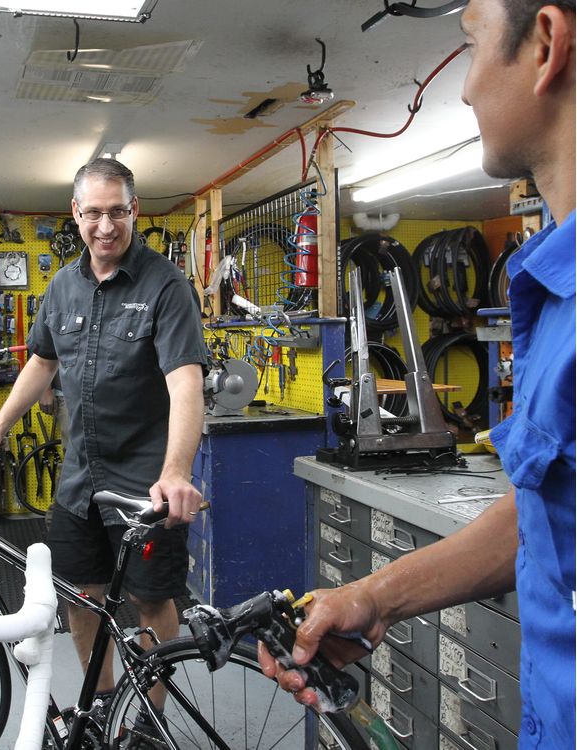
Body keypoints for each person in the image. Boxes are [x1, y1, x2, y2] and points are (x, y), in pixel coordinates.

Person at [257, 2, 575, 747]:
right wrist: (376, 596)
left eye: (470, 47)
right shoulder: (551, 284)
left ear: (548, 45)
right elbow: (548, 516)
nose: (464, 89)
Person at [0, 158, 207, 729]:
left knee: (151, 600)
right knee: (80, 595)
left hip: (143, 483)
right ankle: (101, 709)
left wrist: (175, 470)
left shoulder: (166, 286)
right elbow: (42, 362)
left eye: (117, 211)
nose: (106, 225)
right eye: (93, 212)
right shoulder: (63, 287)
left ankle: (148, 716)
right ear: (75, 214)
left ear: (135, 211)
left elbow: (186, 383)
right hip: (79, 482)